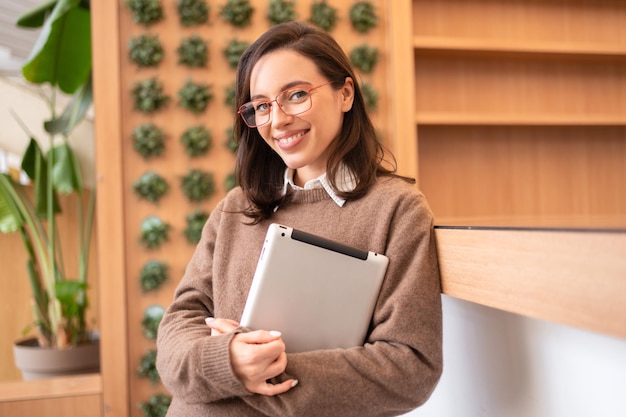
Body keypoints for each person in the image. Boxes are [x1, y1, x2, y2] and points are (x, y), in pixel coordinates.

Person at [156, 21, 443, 417]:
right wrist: (228, 361)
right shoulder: (235, 209)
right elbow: (176, 333)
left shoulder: (395, 209)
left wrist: (262, 368)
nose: (277, 120)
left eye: (295, 95)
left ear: (345, 94)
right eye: (261, 106)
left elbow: (410, 367)